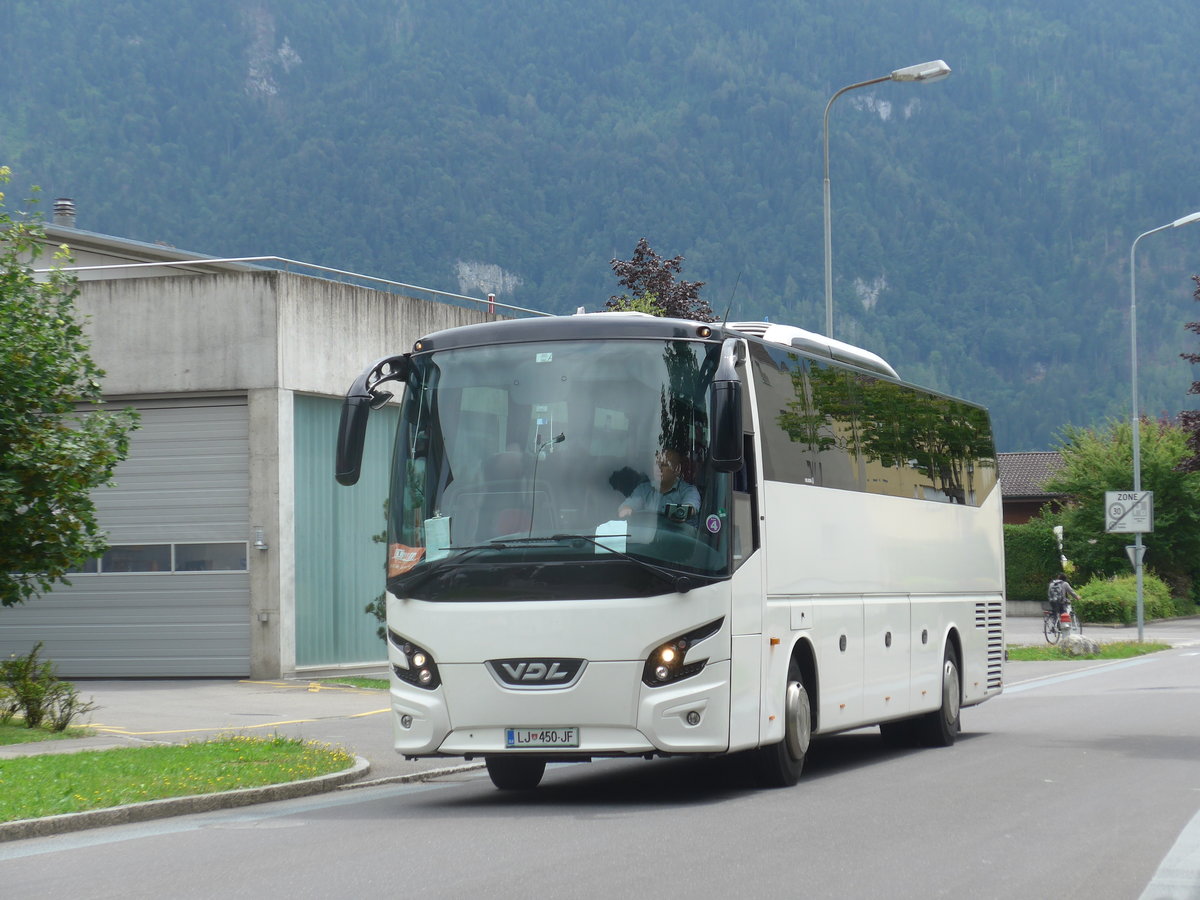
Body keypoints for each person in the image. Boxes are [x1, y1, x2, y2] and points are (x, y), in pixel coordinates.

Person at [617, 448, 700, 523]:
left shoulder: (689, 491)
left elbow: (690, 507)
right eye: (656, 464)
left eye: (664, 465)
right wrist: (626, 510)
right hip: (646, 538)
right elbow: (629, 505)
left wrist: (682, 512)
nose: (659, 468)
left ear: (677, 469)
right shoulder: (643, 489)